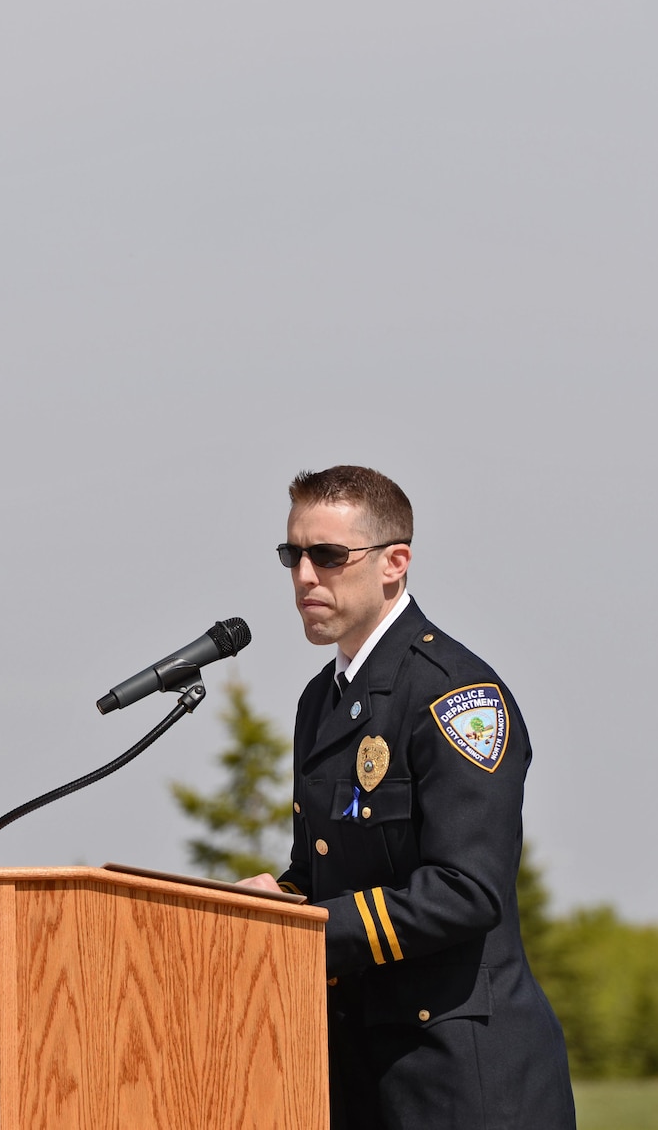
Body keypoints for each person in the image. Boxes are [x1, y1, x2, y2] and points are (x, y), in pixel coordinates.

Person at [237, 465, 574, 1129]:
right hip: (361, 1069)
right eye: (292, 554)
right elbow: (329, 870)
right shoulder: (320, 700)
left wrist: (303, 930)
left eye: (328, 555)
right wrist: (276, 902)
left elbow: (468, 889)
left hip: (462, 1077)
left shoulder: (458, 697)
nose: (305, 575)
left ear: (395, 562)